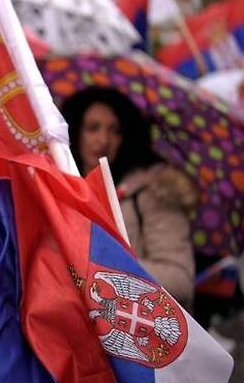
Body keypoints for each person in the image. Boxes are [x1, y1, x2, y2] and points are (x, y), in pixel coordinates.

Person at [61, 87, 197, 306]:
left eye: (115, 130)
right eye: (93, 128)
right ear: (76, 133)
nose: (103, 139)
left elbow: (180, 281)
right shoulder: (60, 189)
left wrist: (105, 265)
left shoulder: (154, 191)